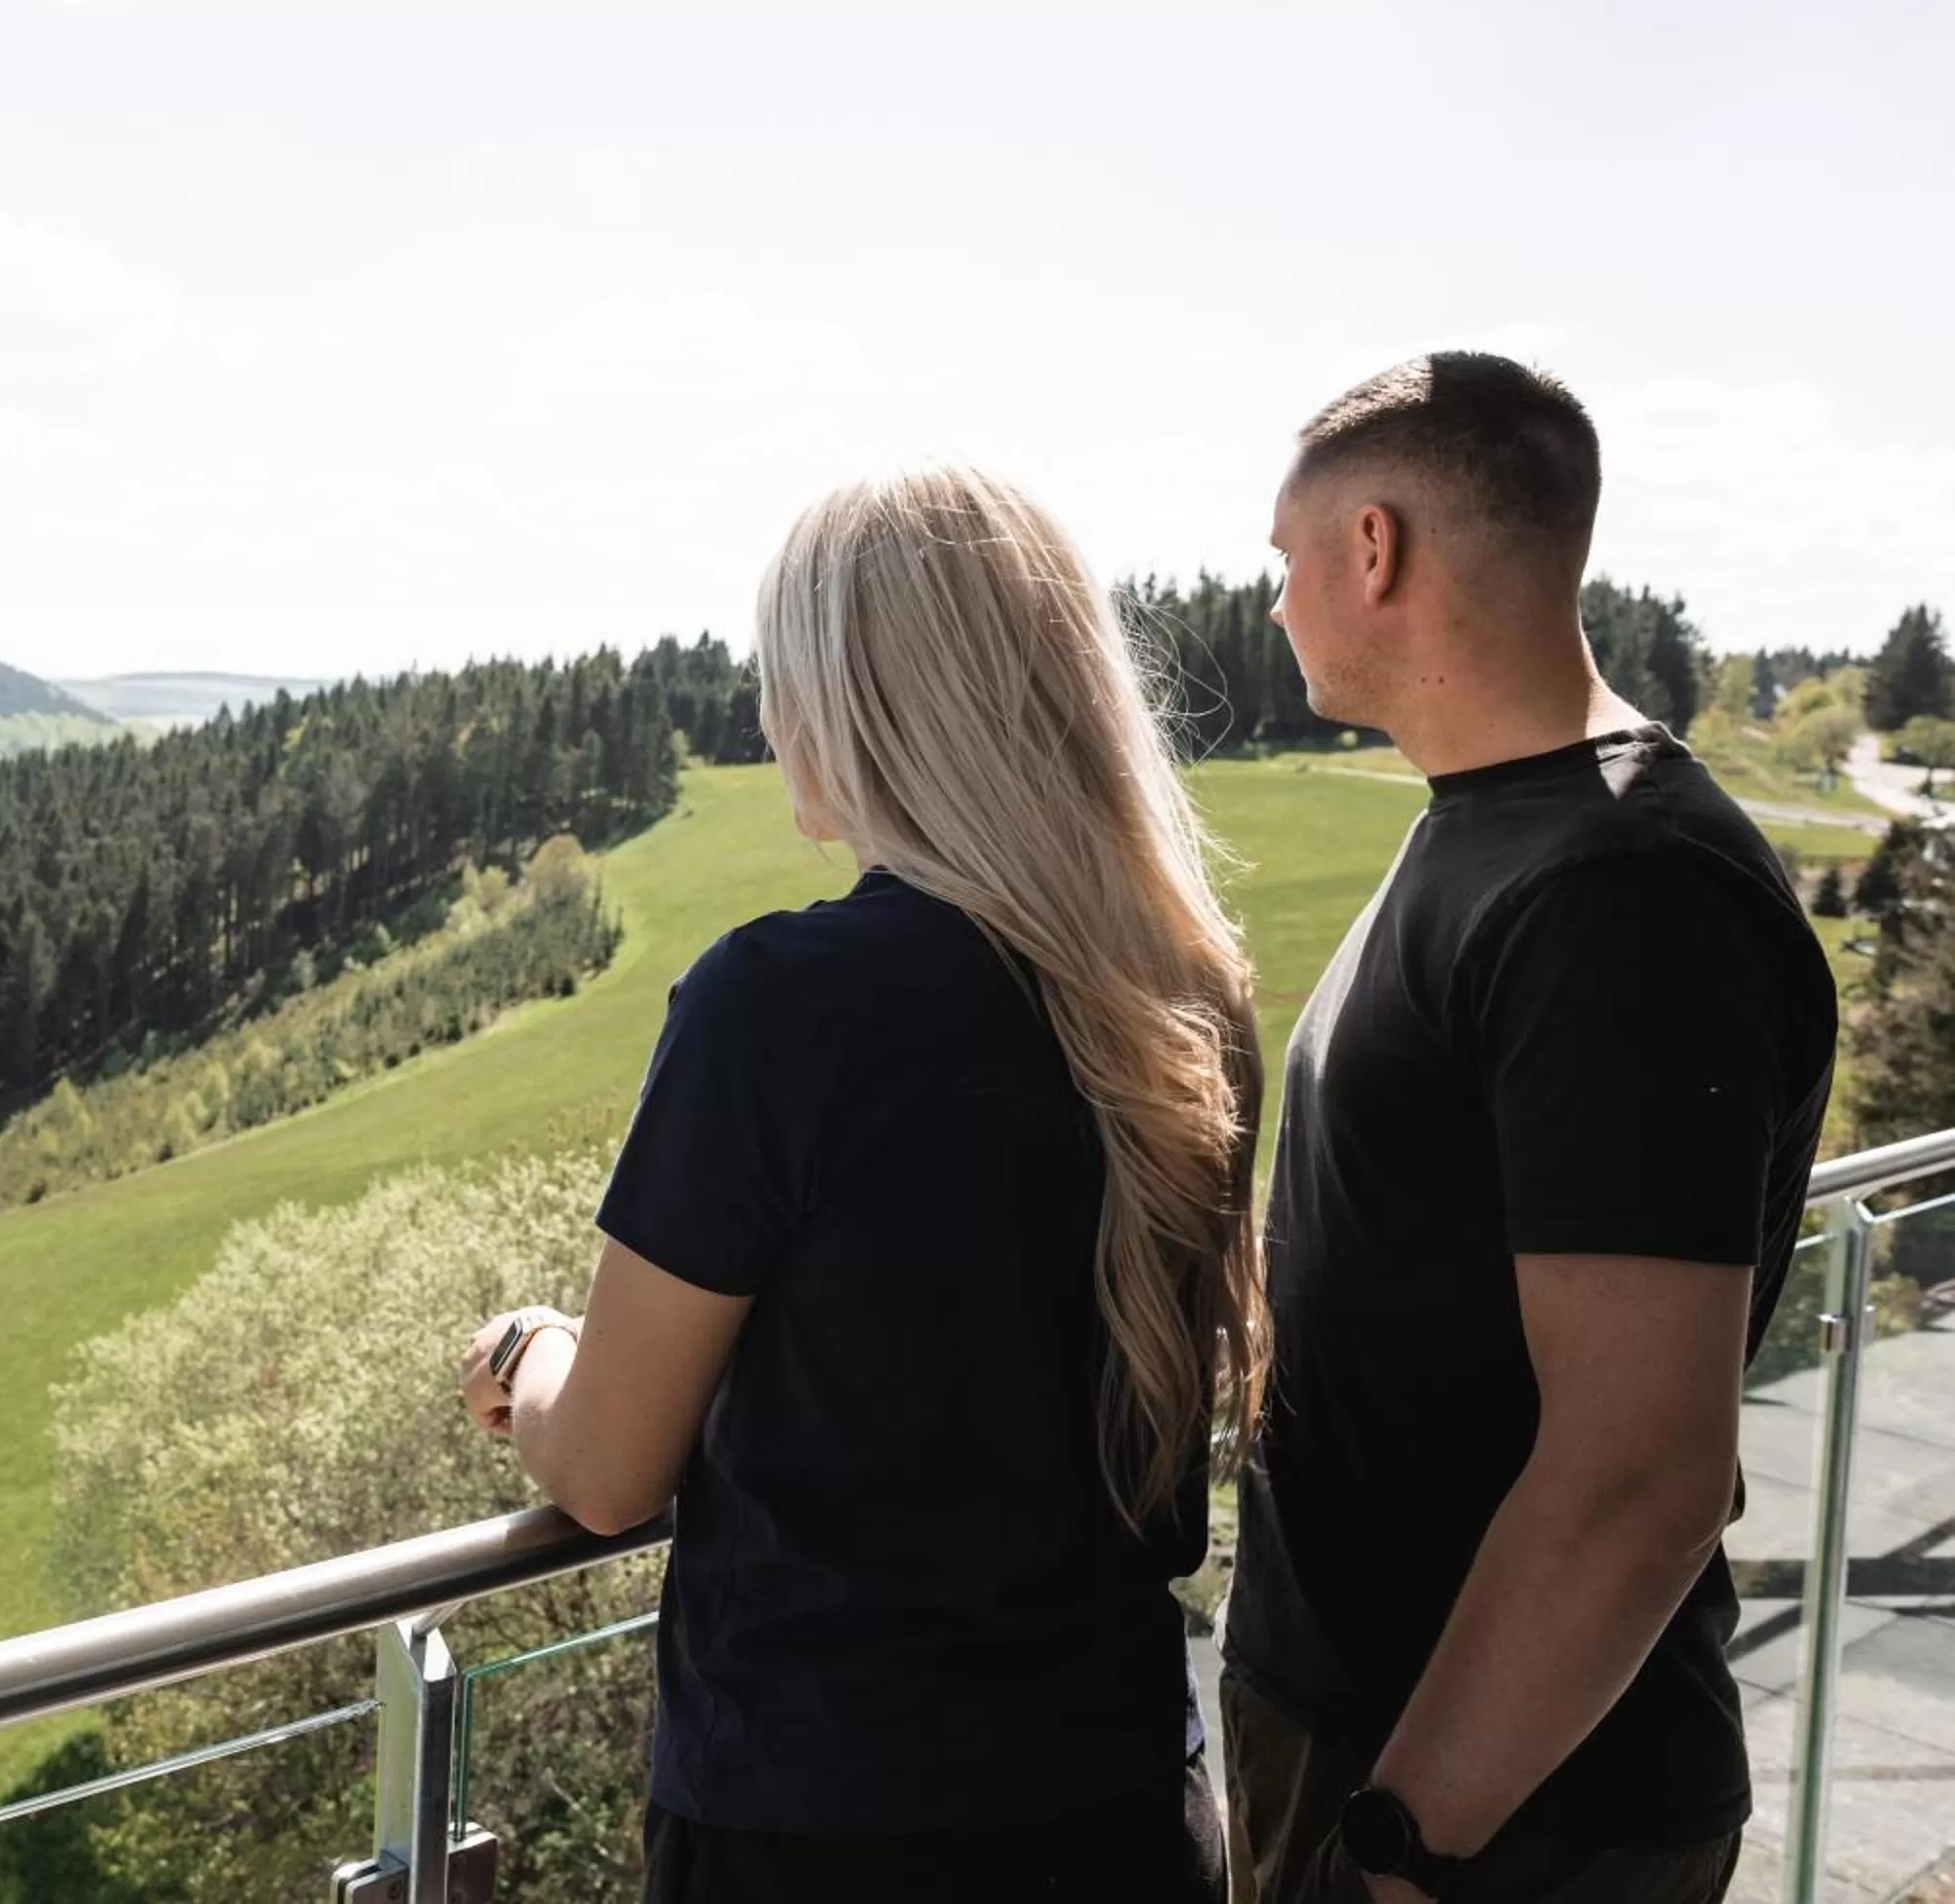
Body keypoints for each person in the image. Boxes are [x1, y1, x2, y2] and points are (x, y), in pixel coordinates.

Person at [456, 464, 1264, 1902]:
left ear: (855, 707)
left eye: (784, 675)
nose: (769, 720)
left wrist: (529, 1356)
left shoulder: (776, 1009)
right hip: (1126, 1809)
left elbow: (605, 1466)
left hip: (824, 1832)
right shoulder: (1185, 996)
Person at [1221, 354, 1837, 1903]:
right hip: (1396, 1752)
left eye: (1284, 557)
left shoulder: (1616, 893)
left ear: (1375, 548)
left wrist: (1403, 1842)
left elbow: (1642, 1468)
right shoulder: (1499, 834)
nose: (1278, 601)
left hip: (1500, 1814)